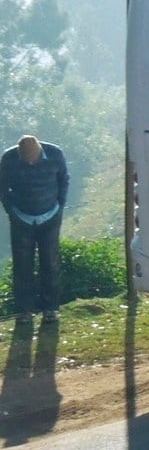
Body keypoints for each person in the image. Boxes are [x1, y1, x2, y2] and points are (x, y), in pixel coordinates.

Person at [1, 135, 69, 326]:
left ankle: (51, 310)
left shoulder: (55, 154)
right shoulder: (9, 158)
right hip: (21, 218)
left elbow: (64, 179)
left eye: (33, 159)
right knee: (22, 267)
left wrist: (60, 205)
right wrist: (12, 212)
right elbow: (3, 188)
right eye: (26, 160)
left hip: (50, 216)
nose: (30, 163)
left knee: (50, 263)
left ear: (40, 151)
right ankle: (24, 311)